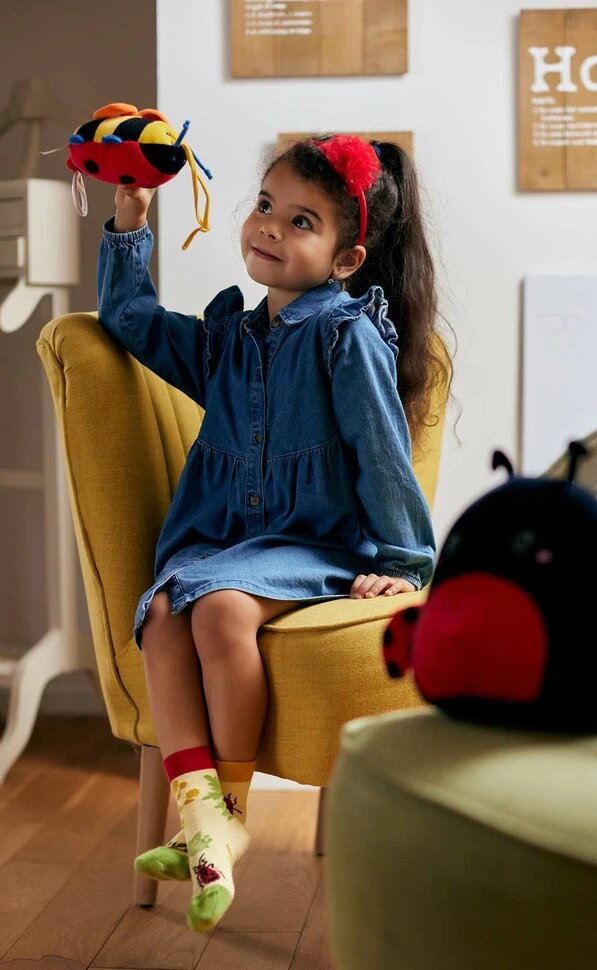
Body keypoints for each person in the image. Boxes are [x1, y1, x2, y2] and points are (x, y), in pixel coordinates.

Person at [96, 134, 450, 933]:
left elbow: (380, 452)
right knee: (163, 615)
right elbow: (128, 318)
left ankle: (229, 808)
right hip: (221, 539)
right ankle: (201, 821)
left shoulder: (345, 336)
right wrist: (130, 216)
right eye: (265, 206)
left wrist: (403, 560)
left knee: (220, 611)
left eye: (301, 221)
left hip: (314, 542)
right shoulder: (228, 337)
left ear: (345, 258)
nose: (269, 227)